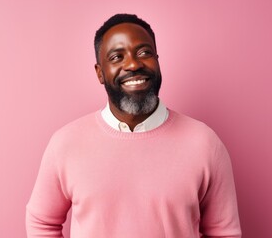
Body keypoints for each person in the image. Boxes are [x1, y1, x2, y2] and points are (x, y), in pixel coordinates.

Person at [26, 14, 241, 238]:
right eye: (117, 57)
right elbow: (42, 223)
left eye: (144, 53)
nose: (133, 64)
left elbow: (223, 233)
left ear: (157, 61)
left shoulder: (206, 144)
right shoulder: (65, 144)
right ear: (100, 73)